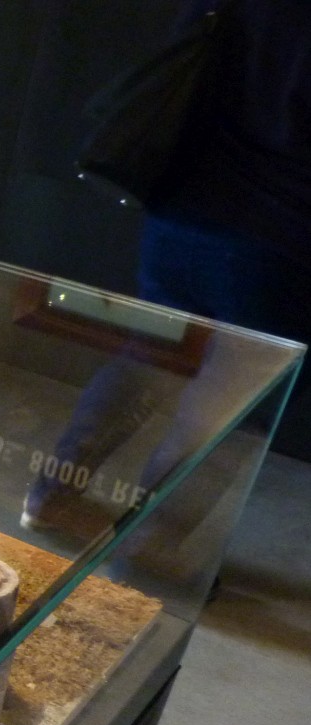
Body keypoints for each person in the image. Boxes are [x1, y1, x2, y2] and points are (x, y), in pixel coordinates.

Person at [25, 0, 310, 540]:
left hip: (181, 210)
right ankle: (150, 544)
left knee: (149, 355)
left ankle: (51, 495)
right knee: (233, 408)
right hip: (282, 242)